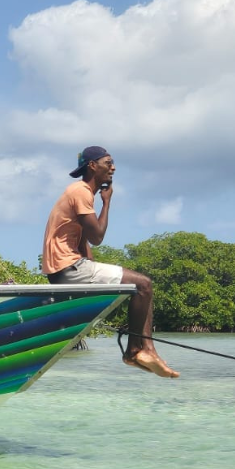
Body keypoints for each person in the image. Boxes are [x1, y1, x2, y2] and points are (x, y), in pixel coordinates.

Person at [41, 146, 179, 378]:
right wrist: (106, 203)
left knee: (137, 286)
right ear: (92, 165)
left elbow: (85, 243)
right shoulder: (81, 191)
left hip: (67, 269)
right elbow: (97, 237)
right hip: (68, 269)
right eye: (108, 162)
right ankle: (138, 350)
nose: (113, 167)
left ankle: (144, 350)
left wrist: (98, 280)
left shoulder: (81, 194)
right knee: (143, 284)